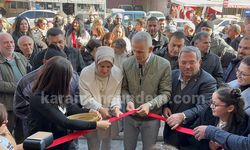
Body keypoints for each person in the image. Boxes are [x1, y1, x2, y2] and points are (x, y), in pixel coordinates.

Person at [29, 56, 111, 150]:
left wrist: (88, 111)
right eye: (69, 77)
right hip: (47, 144)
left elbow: (70, 108)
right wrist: (96, 125)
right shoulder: (39, 98)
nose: (71, 80)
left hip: (63, 141)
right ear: (58, 78)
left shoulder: (58, 91)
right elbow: (64, 122)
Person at [122, 31, 172, 150]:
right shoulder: (127, 63)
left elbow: (166, 93)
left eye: (140, 51)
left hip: (152, 118)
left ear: (150, 49)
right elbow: (123, 89)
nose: (136, 55)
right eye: (134, 50)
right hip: (130, 117)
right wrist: (128, 101)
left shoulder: (164, 65)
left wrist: (150, 104)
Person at [163, 46, 217, 148]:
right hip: (171, 132)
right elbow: (165, 93)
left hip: (192, 135)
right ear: (178, 61)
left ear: (199, 62)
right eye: (183, 62)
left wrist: (183, 116)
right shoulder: (173, 75)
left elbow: (203, 106)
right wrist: (165, 106)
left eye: (192, 62)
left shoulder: (208, 81)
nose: (187, 66)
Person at [79, 46, 123, 150]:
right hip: (93, 113)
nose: (105, 70)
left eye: (108, 67)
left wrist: (116, 107)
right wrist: (100, 108)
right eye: (102, 66)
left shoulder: (117, 73)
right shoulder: (86, 73)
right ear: (96, 62)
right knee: (93, 141)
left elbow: (116, 94)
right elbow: (85, 97)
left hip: (109, 113)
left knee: (107, 141)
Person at [0, 33, 28, 133]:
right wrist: (21, 87)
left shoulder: (20, 56)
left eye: (11, 42)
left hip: (24, 103)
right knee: (6, 133)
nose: (10, 44)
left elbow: (31, 73)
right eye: (6, 42)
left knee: (22, 132)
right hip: (7, 106)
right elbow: (1, 85)